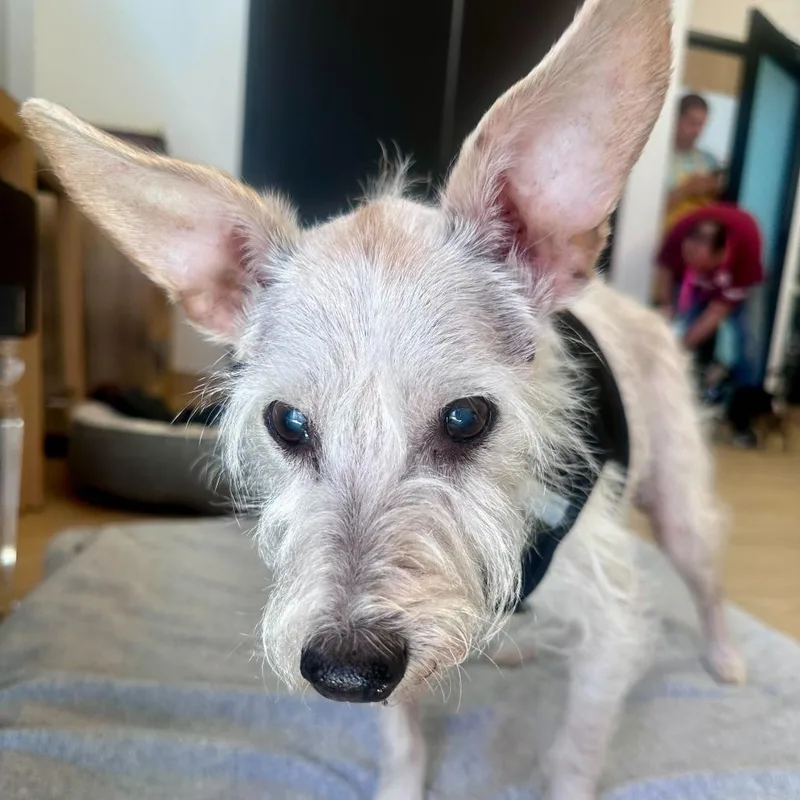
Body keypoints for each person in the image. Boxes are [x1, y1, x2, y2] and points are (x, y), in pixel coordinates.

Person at [655, 203, 764, 445]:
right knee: (675, 327)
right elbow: (665, 272)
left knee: (750, 344)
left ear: (720, 254)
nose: (694, 266)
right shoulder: (678, 233)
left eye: (700, 263)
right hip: (689, 282)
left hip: (739, 279)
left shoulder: (744, 254)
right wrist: (667, 310)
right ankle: (674, 402)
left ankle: (742, 418)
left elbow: (716, 312)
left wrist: (680, 348)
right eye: (689, 259)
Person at [664, 94, 723, 231]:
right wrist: (686, 190)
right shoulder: (657, 159)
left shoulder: (710, 161)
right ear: (676, 119)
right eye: (692, 123)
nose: (697, 130)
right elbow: (645, 209)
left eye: (701, 124)